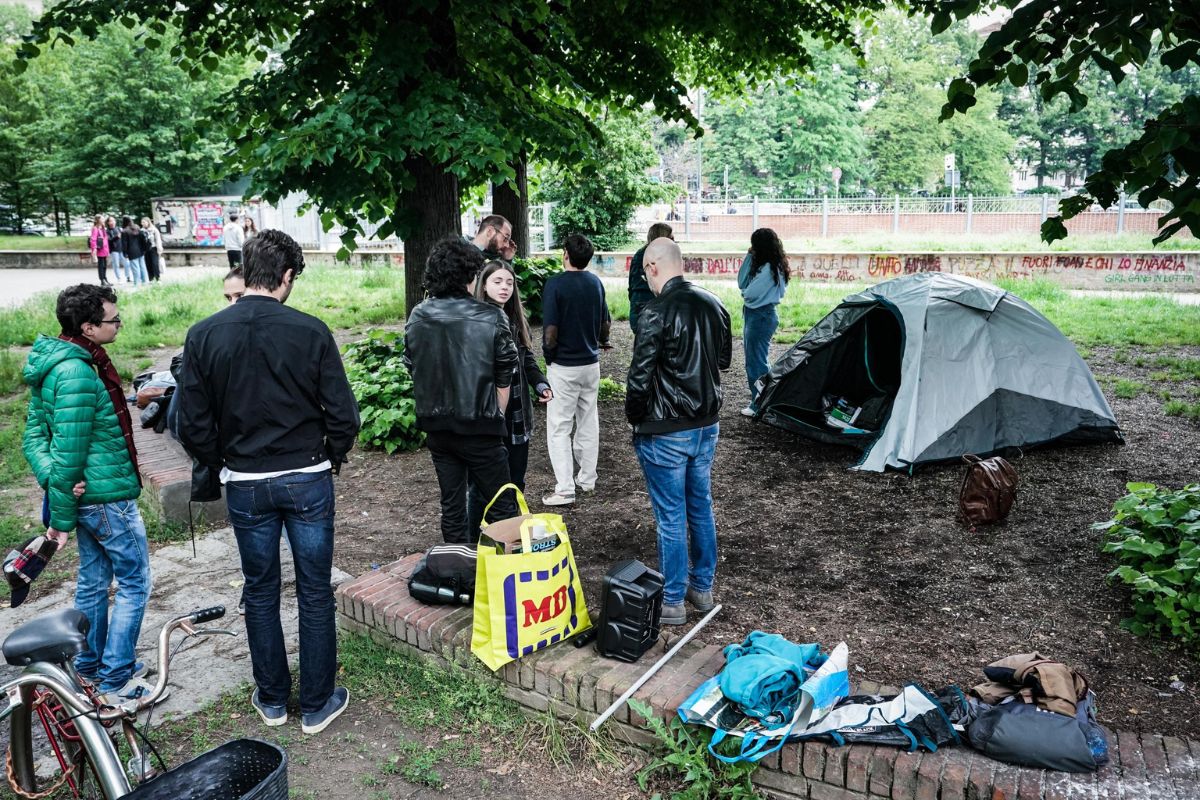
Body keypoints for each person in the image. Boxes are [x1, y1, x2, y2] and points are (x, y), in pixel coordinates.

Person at [177, 230, 360, 735]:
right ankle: (318, 701)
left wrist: (222, 460)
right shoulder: (311, 330)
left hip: (246, 480)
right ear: (286, 276)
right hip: (306, 474)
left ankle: (275, 698)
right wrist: (331, 454)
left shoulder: (204, 333)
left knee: (260, 590)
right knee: (314, 589)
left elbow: (190, 422)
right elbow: (344, 414)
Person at [21, 284, 158, 702]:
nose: (119, 324)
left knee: (94, 582)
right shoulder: (77, 372)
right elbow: (67, 453)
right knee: (135, 583)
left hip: (91, 496)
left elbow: (33, 437)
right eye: (113, 319)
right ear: (88, 326)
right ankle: (116, 678)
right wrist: (60, 516)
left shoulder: (61, 360)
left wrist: (53, 479)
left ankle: (89, 667)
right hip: (106, 500)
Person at [626, 237, 731, 625]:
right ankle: (701, 588)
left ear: (653, 267)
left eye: (645, 273)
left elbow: (639, 379)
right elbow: (722, 361)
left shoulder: (656, 311)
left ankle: (672, 600)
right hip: (706, 425)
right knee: (700, 506)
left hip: (667, 428)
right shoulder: (715, 303)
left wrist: (636, 421)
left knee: (671, 516)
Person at [403, 238, 519, 544]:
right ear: (472, 275)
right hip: (480, 426)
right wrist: (497, 414)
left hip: (438, 427)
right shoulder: (492, 317)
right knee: (502, 506)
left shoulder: (418, 315)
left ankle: (456, 573)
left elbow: (411, 364)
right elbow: (505, 372)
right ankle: (505, 578)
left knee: (452, 506)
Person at [466, 260, 553, 530]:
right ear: (484, 285)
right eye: (497, 281)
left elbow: (527, 360)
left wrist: (540, 383)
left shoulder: (514, 319)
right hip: (489, 416)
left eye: (509, 282)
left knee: (516, 483)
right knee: (483, 488)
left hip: (518, 417)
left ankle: (507, 540)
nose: (504, 287)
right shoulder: (476, 320)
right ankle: (475, 542)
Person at [541, 233, 610, 506]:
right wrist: (602, 342)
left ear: (565, 254)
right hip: (591, 364)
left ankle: (565, 488)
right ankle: (588, 479)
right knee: (588, 420)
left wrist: (549, 357)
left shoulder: (555, 285)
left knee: (559, 427)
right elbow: (605, 321)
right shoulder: (596, 282)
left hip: (564, 366)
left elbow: (550, 331)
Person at [738, 228, 790, 416]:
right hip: (758, 315)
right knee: (757, 361)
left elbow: (748, 293)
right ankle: (764, 399)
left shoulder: (769, 269)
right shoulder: (771, 265)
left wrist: (745, 294)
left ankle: (758, 404)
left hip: (760, 316)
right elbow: (741, 281)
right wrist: (749, 256)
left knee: (755, 363)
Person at [627, 223, 673, 332]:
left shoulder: (639, 254)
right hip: (657, 306)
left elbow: (632, 284)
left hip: (638, 305)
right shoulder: (665, 255)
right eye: (671, 238)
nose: (674, 241)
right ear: (663, 238)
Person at [121, 217, 149, 285]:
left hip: (132, 251)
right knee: (142, 266)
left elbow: (124, 244)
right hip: (140, 250)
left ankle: (137, 283)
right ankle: (145, 281)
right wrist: (144, 249)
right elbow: (142, 239)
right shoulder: (137, 227)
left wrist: (125, 253)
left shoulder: (124, 231)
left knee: (135, 268)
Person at [105, 216, 128, 283]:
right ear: (108, 223)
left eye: (113, 220)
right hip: (114, 250)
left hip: (122, 249)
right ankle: (119, 278)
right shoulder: (107, 231)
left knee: (127, 264)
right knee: (116, 265)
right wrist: (117, 237)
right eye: (110, 221)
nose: (112, 222)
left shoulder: (119, 229)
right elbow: (109, 240)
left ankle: (128, 277)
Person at [89, 215, 110, 286]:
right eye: (102, 218)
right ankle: (102, 280)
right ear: (98, 220)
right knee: (101, 265)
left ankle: (105, 278)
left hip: (105, 250)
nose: (104, 220)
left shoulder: (103, 228)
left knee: (105, 265)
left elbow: (106, 240)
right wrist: (94, 249)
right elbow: (93, 239)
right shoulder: (95, 228)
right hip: (100, 250)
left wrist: (108, 250)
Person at [140, 217, 163, 282]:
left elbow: (158, 240)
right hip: (145, 250)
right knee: (148, 264)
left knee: (155, 263)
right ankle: (151, 278)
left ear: (148, 222)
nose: (143, 223)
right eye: (142, 222)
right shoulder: (141, 231)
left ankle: (158, 278)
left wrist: (159, 249)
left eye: (144, 222)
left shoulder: (154, 230)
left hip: (153, 248)